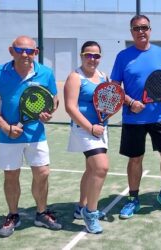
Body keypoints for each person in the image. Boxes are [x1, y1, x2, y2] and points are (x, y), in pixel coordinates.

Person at [0, 35, 61, 237]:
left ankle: (41, 213)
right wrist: (5, 127)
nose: (26, 54)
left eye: (31, 51)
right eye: (20, 50)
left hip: (36, 134)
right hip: (8, 136)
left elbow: (54, 99)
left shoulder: (45, 72)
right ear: (11, 51)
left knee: (42, 173)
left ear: (36, 52)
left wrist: (48, 112)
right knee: (11, 175)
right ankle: (13, 214)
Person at [110, 15, 161, 219]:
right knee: (135, 159)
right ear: (131, 32)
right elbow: (115, 87)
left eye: (144, 27)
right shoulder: (123, 56)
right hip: (133, 118)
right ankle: (133, 199)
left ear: (150, 30)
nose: (141, 31)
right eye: (136, 28)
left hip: (160, 115)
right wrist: (131, 102)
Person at [64, 41, 109, 234]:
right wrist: (90, 127)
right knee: (101, 167)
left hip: (100, 129)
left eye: (96, 56)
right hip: (84, 130)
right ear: (82, 56)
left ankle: (81, 206)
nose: (92, 59)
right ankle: (91, 213)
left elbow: (109, 102)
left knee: (91, 169)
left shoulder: (103, 76)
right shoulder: (75, 77)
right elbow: (70, 107)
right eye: (88, 55)